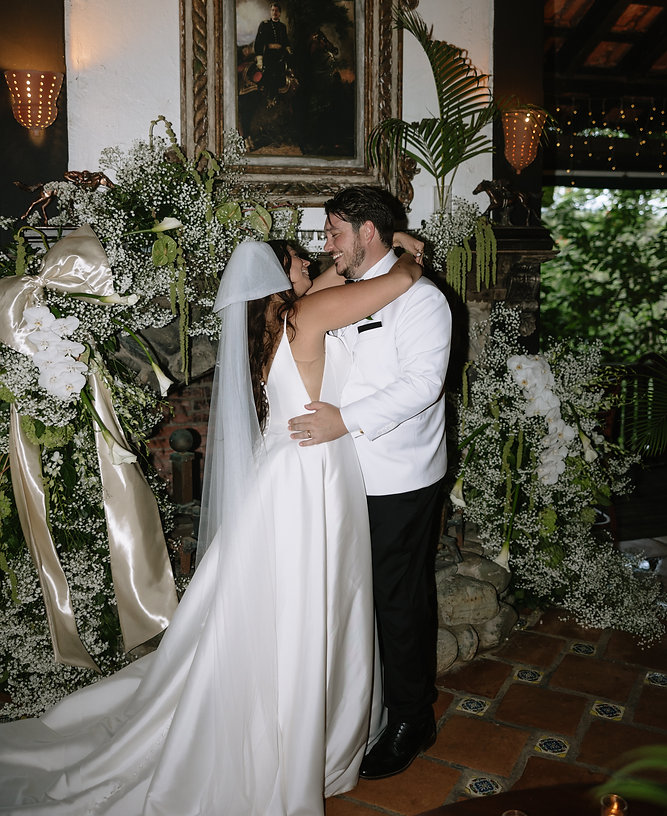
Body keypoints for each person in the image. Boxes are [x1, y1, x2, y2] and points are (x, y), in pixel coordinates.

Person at [0, 237, 423, 816]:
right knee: (309, 599)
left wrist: (353, 256)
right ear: (279, 277)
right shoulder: (309, 313)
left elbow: (332, 279)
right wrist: (407, 254)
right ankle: (294, 737)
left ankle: (291, 721)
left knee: (288, 599)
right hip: (313, 474)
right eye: (299, 259)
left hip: (290, 468)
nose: (312, 262)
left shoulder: (275, 319)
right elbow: (398, 282)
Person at [288, 186, 452, 781]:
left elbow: (423, 385)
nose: (326, 244)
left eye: (335, 232)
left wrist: (345, 420)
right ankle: (370, 701)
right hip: (342, 471)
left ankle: (413, 716)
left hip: (399, 474)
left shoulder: (423, 299)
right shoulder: (345, 285)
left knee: (397, 597)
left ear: (367, 232)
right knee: (357, 596)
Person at [254, 1, 291, 106]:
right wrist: (259, 59)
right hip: (268, 56)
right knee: (270, 74)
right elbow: (259, 42)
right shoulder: (264, 24)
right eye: (273, 10)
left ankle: (280, 99)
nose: (275, 12)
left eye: (277, 11)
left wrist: (288, 49)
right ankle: (269, 99)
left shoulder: (283, 26)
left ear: (280, 13)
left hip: (280, 56)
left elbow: (285, 41)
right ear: (270, 12)